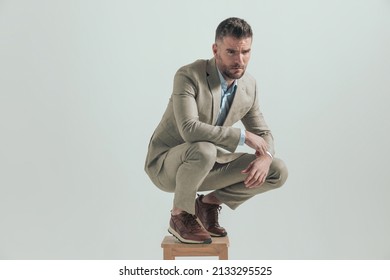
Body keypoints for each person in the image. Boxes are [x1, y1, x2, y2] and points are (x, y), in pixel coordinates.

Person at [145, 17, 288, 244]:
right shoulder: (188, 76)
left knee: (277, 170)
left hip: (207, 164)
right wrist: (242, 136)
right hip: (167, 165)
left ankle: (208, 204)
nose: (239, 60)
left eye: (245, 52)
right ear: (215, 49)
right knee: (204, 149)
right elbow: (189, 130)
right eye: (231, 52)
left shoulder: (248, 86)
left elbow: (264, 134)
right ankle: (180, 214)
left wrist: (266, 157)